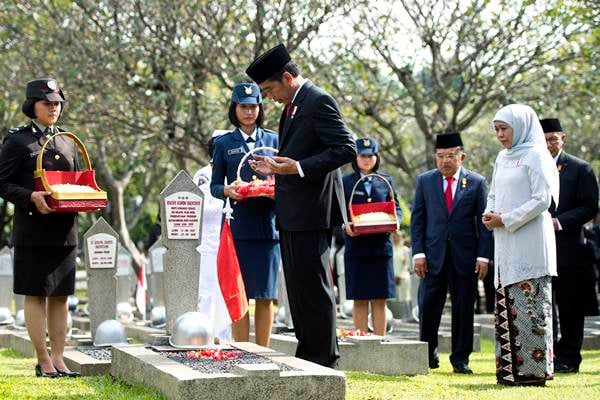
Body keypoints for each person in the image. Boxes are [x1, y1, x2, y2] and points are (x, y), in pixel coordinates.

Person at [245, 43, 356, 368]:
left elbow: (346, 148)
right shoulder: (293, 106)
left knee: (315, 287)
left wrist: (297, 168)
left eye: (269, 89)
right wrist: (276, 167)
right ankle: (308, 353)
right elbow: (300, 152)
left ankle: (325, 358)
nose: (269, 98)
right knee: (298, 289)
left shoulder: (317, 100)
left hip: (314, 210)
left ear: (288, 77)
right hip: (293, 211)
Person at [0, 78, 80, 378]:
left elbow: (76, 182)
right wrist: (30, 197)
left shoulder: (68, 141)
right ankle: (43, 359)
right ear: (32, 105)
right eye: (47, 102)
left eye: (57, 102)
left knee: (60, 295)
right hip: (33, 229)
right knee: (36, 293)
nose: (53, 108)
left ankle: (59, 358)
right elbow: (3, 183)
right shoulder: (18, 141)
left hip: (65, 231)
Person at [483, 104, 559, 386]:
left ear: (521, 127)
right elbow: (493, 192)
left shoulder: (536, 155)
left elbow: (542, 200)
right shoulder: (502, 157)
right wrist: (490, 214)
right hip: (505, 241)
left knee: (531, 306)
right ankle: (509, 371)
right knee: (507, 301)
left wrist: (506, 218)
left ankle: (535, 372)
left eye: (504, 129)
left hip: (529, 241)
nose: (500, 135)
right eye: (497, 130)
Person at [410, 132, 491, 374]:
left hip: (465, 258)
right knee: (428, 306)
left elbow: (484, 223)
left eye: (451, 156)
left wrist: (483, 256)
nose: (445, 161)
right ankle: (428, 353)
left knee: (464, 308)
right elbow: (418, 220)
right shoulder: (425, 181)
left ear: (462, 157)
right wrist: (418, 254)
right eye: (441, 156)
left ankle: (460, 359)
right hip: (432, 257)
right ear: (435, 157)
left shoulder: (476, 182)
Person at [210, 83, 279, 347]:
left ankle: (263, 350)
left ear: (260, 108)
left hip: (268, 226)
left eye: (253, 106)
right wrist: (227, 190)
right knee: (239, 292)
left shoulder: (274, 140)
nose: (248, 112)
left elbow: (287, 181)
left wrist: (275, 191)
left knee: (266, 294)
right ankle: (242, 350)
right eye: (243, 107)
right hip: (238, 229)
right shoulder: (223, 143)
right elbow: (215, 186)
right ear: (234, 109)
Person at [540, 117, 599, 373]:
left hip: (569, 248)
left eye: (554, 139)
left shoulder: (580, 168)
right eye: (544, 141)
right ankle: (545, 353)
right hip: (538, 248)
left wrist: (559, 222)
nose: (549, 144)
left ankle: (569, 357)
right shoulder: (532, 167)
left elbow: (589, 207)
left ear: (563, 139)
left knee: (570, 306)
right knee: (543, 305)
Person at [343, 137, 401, 335]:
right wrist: (345, 225)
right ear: (355, 157)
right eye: (362, 156)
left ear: (376, 157)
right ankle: (361, 340)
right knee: (359, 298)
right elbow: (338, 212)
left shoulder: (385, 181)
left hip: (380, 248)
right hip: (356, 247)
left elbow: (397, 208)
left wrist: (396, 221)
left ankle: (380, 340)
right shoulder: (346, 182)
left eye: (370, 156)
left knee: (379, 298)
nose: (366, 160)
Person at [194, 131, 230, 342]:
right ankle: (205, 334)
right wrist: (225, 201)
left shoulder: (231, 172)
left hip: (228, 241)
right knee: (206, 291)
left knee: (225, 291)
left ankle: (223, 335)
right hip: (208, 242)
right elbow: (199, 208)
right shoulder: (204, 174)